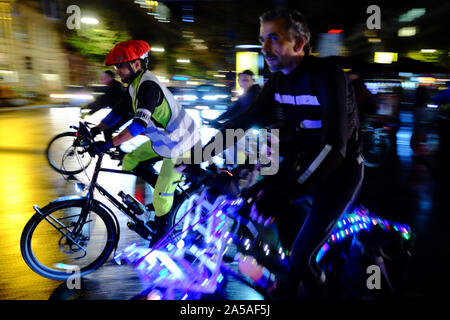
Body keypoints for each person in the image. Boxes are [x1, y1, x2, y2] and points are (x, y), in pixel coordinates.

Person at [178, 8, 363, 299]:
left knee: (302, 254)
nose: (264, 48)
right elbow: (241, 123)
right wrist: (196, 157)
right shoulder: (277, 83)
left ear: (299, 43)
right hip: (300, 168)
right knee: (244, 218)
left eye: (273, 39)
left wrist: (286, 192)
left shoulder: (327, 76)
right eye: (262, 39)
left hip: (339, 173)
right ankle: (283, 282)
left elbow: (335, 148)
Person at [91, 40, 200, 246]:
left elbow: (139, 123)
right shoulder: (134, 85)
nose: (117, 71)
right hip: (165, 141)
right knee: (131, 160)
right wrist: (97, 129)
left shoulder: (148, 87)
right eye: (116, 67)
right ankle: (169, 194)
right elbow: (119, 111)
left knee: (161, 195)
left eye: (120, 66)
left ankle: (163, 234)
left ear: (137, 64)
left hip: (183, 143)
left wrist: (110, 144)